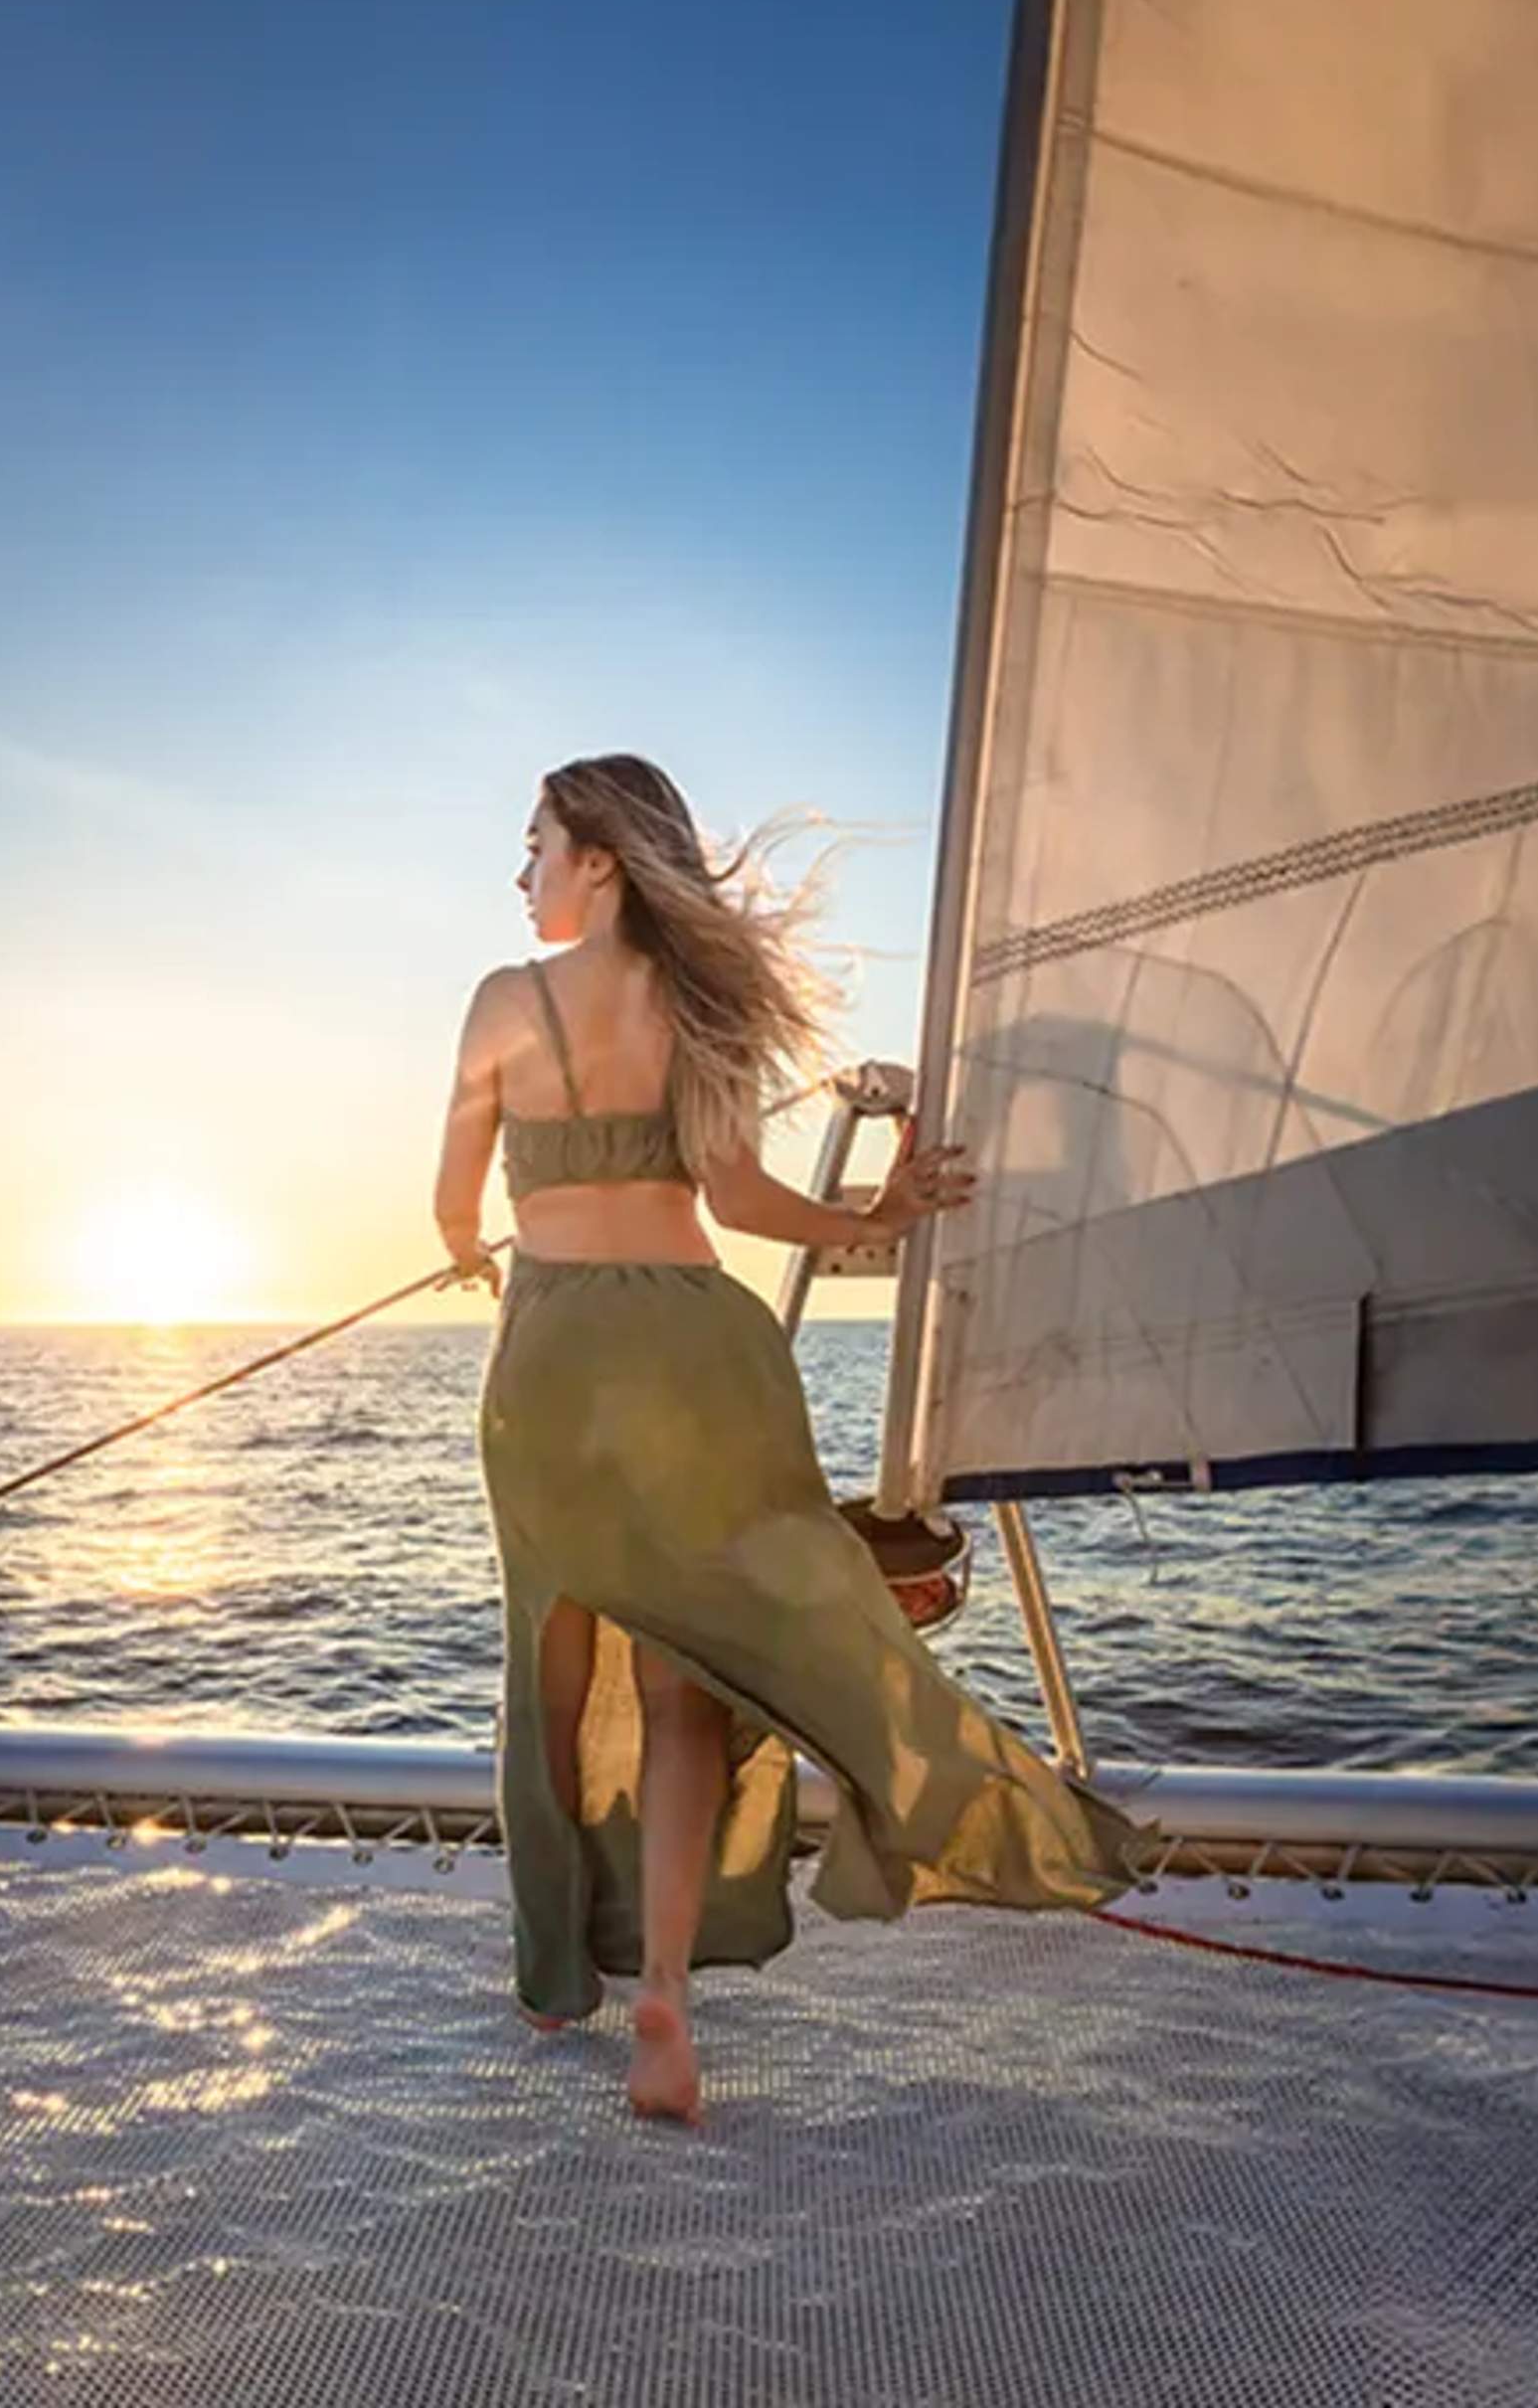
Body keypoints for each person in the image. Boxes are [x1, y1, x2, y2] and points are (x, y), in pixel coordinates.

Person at [430, 753, 1154, 2127]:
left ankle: (550, 1977)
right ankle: (666, 1993)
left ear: (597, 858)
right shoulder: (701, 1001)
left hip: (559, 1357)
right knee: (691, 1671)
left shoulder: (499, 1006)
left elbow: (453, 1206)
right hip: (707, 1350)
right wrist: (879, 1218)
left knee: (554, 1658)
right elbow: (744, 1196)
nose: (519, 872)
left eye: (534, 845)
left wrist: (475, 1248)